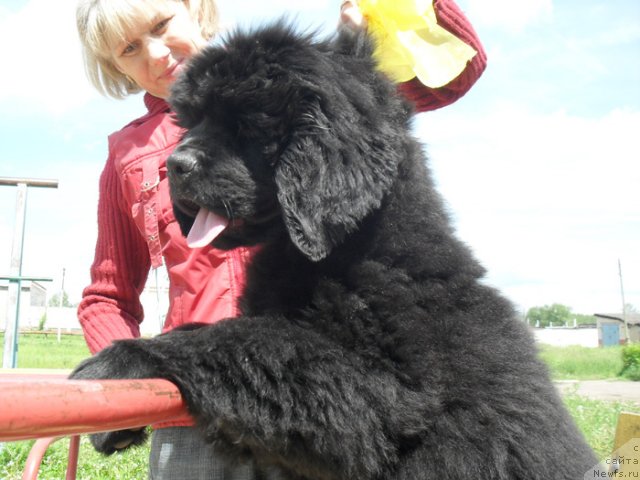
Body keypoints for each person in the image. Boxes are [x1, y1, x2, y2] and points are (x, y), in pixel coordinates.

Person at [75, 0, 486, 478]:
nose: (156, 53)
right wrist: (123, 386)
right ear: (115, 67)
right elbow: (107, 297)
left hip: (324, 395)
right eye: (129, 48)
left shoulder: (299, 87)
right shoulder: (129, 155)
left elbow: (457, 69)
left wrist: (386, 17)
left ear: (195, 10)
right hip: (191, 402)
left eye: (161, 25)